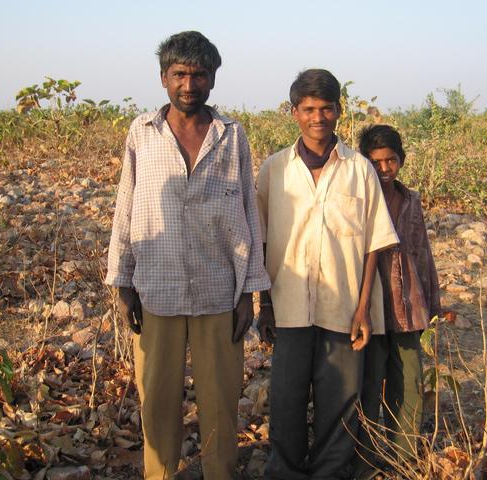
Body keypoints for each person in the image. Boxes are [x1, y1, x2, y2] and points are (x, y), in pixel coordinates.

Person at [105, 31, 270, 480]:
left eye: (199, 75)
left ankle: (220, 473)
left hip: (219, 290)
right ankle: (159, 474)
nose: (189, 84)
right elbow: (127, 205)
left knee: (220, 400)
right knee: (157, 399)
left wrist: (247, 294)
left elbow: (246, 216)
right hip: (157, 290)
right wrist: (121, 281)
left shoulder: (231, 136)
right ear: (163, 78)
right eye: (180, 74)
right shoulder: (142, 132)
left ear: (213, 80)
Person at [256, 69, 399, 480]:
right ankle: (284, 470)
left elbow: (374, 242)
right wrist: (264, 306)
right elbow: (262, 241)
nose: (317, 117)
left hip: (343, 307)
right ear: (294, 112)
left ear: (339, 111)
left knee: (340, 400)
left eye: (326, 109)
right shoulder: (274, 170)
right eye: (308, 109)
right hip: (289, 306)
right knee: (286, 398)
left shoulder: (359, 170)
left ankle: (329, 472)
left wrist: (363, 309)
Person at [355, 125, 442, 478]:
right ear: (365, 163)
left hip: (408, 302)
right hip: (371, 302)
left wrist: (434, 303)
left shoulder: (411, 200)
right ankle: (367, 456)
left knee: (408, 377)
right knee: (370, 379)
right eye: (376, 162)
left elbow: (422, 252)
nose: (385, 169)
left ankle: (404, 454)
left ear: (401, 160)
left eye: (391, 160)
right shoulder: (359, 199)